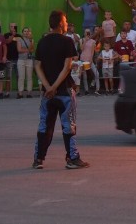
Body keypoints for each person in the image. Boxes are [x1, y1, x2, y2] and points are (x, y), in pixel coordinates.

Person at [32, 10, 89, 170]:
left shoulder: (42, 42)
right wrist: (56, 86)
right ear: (60, 24)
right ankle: (72, 158)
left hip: (47, 93)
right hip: (64, 91)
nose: (66, 24)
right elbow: (67, 66)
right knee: (69, 125)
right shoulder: (67, 41)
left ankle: (38, 159)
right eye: (65, 21)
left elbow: (37, 65)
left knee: (44, 125)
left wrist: (48, 87)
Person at [16, 26, 35, 99]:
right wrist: (27, 50)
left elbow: (32, 50)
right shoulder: (19, 39)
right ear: (22, 32)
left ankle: (29, 93)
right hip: (21, 60)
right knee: (21, 77)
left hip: (29, 60)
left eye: (27, 31)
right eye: (25, 31)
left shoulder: (31, 40)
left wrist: (26, 48)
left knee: (29, 77)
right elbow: (19, 50)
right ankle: (20, 93)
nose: (26, 32)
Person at [79, 29, 99, 96]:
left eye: (89, 32)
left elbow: (93, 51)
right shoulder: (81, 40)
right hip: (83, 59)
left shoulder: (93, 41)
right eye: (86, 32)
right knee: (84, 76)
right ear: (84, 33)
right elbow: (81, 49)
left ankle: (97, 89)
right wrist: (85, 41)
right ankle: (86, 90)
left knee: (97, 74)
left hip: (90, 60)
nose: (88, 33)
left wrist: (91, 60)